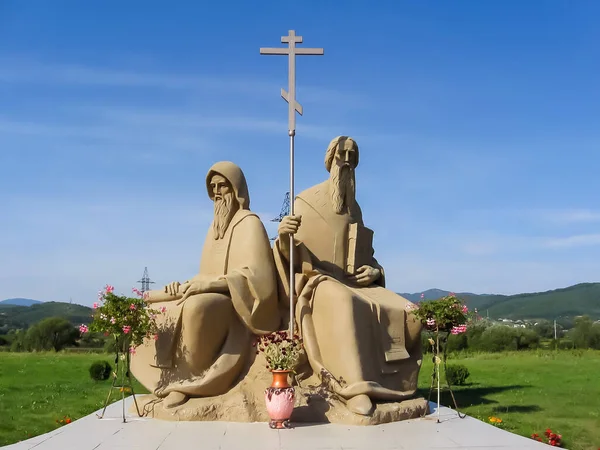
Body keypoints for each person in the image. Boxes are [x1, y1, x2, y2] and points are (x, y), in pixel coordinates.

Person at [273, 136, 423, 416]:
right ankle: (354, 388)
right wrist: (284, 236)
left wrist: (375, 271)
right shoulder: (305, 200)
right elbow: (290, 253)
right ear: (329, 159)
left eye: (352, 156)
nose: (347, 160)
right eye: (342, 154)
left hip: (356, 281)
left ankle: (397, 384)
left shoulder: (355, 209)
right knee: (344, 301)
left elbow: (366, 252)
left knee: (410, 312)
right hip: (317, 279)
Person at [131, 161, 280, 408]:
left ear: (237, 189)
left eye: (224, 186)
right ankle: (167, 379)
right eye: (213, 187)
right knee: (156, 306)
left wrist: (211, 284)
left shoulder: (249, 222)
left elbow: (259, 278)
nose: (218, 193)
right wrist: (186, 286)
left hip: (237, 304)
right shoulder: (214, 228)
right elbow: (205, 273)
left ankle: (191, 381)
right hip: (211, 292)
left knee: (197, 308)